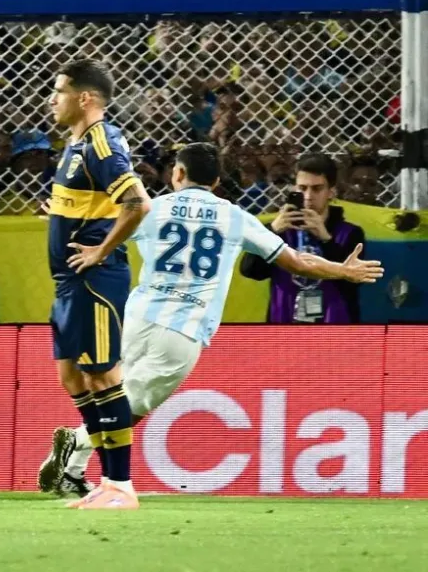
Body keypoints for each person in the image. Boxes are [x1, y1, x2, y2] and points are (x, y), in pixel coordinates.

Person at [38, 143, 383, 507]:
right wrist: (342, 270)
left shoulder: (152, 210)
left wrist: (64, 219)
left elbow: (99, 228)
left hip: (136, 316)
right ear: (217, 181)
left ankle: (73, 469)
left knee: (114, 392)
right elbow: (296, 261)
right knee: (134, 404)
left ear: (178, 174)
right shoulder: (235, 217)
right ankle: (76, 443)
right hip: (185, 324)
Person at [42, 60, 152, 510]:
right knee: (73, 376)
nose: (52, 99)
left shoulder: (102, 143)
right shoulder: (76, 145)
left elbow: (137, 203)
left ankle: (121, 485)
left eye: (59, 91)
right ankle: (106, 485)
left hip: (94, 280)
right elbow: (96, 203)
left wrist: (100, 251)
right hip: (69, 282)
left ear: (84, 98)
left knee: (103, 374)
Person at [240, 153, 366, 323]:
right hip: (284, 327)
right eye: (302, 188)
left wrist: (326, 239)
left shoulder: (350, 233)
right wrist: (272, 232)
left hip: (333, 329)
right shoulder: (279, 230)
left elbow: (355, 282)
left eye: (317, 188)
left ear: (331, 192)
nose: (308, 196)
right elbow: (250, 271)